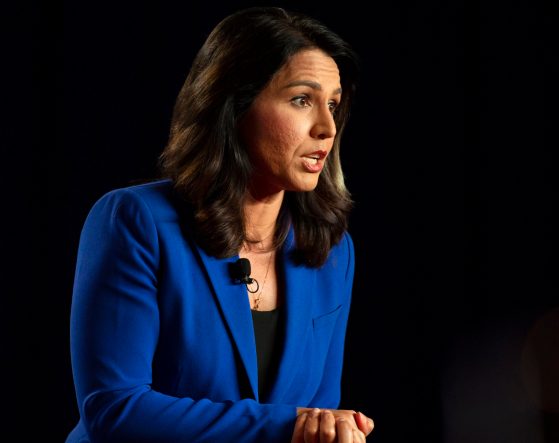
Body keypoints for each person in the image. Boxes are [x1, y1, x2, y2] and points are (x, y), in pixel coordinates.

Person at [65, 6, 374, 443]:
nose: (326, 127)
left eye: (333, 104)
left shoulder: (331, 250)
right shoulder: (136, 221)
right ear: (234, 105)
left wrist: (332, 429)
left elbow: (318, 411)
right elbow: (114, 408)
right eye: (302, 100)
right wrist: (290, 426)